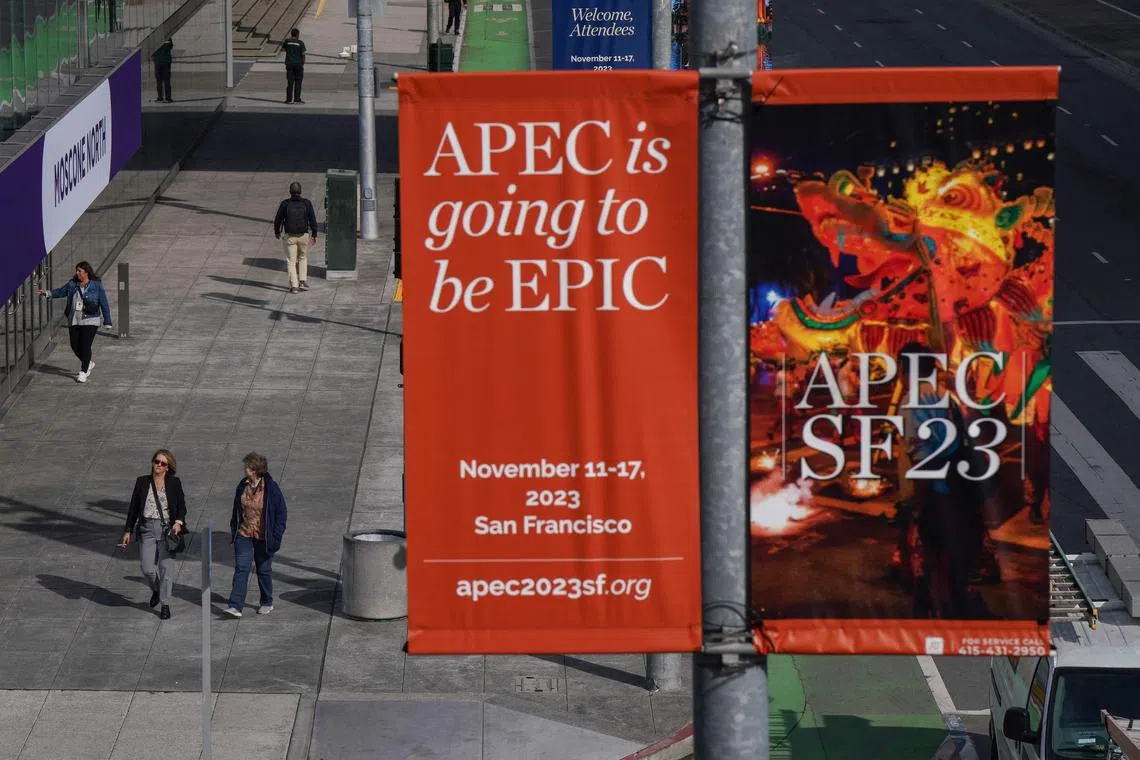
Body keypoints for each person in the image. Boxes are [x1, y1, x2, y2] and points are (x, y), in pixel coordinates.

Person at [120, 450, 187, 620]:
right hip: (147, 528)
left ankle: (165, 604)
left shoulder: (174, 483)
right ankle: (156, 589)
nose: (159, 465)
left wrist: (178, 522)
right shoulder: (142, 482)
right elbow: (134, 508)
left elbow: (181, 507)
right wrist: (128, 530)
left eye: (163, 463)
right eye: (157, 461)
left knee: (166, 569)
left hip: (167, 531)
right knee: (147, 568)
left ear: (168, 467)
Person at [224, 453, 287, 618]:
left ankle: (266, 601)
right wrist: (234, 526)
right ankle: (235, 606)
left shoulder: (271, 488)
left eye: (247, 466)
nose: (244, 469)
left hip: (263, 536)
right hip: (244, 533)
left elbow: (281, 512)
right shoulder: (242, 485)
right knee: (241, 568)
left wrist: (276, 534)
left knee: (263, 569)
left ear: (254, 470)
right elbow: (236, 508)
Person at [36, 261, 112, 383]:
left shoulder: (96, 285)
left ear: (86, 272)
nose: (77, 273)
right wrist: (47, 293)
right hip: (74, 319)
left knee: (85, 345)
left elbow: (104, 303)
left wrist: (107, 321)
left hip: (90, 319)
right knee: (74, 345)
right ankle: (89, 363)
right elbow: (61, 291)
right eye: (76, 271)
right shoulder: (72, 284)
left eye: (79, 271)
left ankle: (83, 371)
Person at [274, 182, 319, 293]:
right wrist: (314, 234)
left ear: (290, 192)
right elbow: (312, 219)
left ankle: (294, 286)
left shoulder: (285, 204)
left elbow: (278, 219)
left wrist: (277, 232)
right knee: (303, 257)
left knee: (291, 261)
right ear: (300, 191)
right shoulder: (306, 203)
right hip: (303, 235)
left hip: (290, 237)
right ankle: (302, 281)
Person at [283, 28, 306, 104]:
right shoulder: (300, 43)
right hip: (298, 64)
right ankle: (297, 99)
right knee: (298, 82)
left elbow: (284, 49)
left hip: (289, 64)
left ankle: (289, 99)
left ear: (291, 34)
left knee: (290, 82)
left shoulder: (287, 41)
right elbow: (303, 54)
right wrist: (302, 63)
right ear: (297, 34)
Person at [152, 37, 174, 102]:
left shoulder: (156, 38)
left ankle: (162, 97)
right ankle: (165, 98)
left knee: (162, 81)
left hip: (162, 62)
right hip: (162, 62)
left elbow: (169, 46)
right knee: (163, 81)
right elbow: (170, 46)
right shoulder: (167, 37)